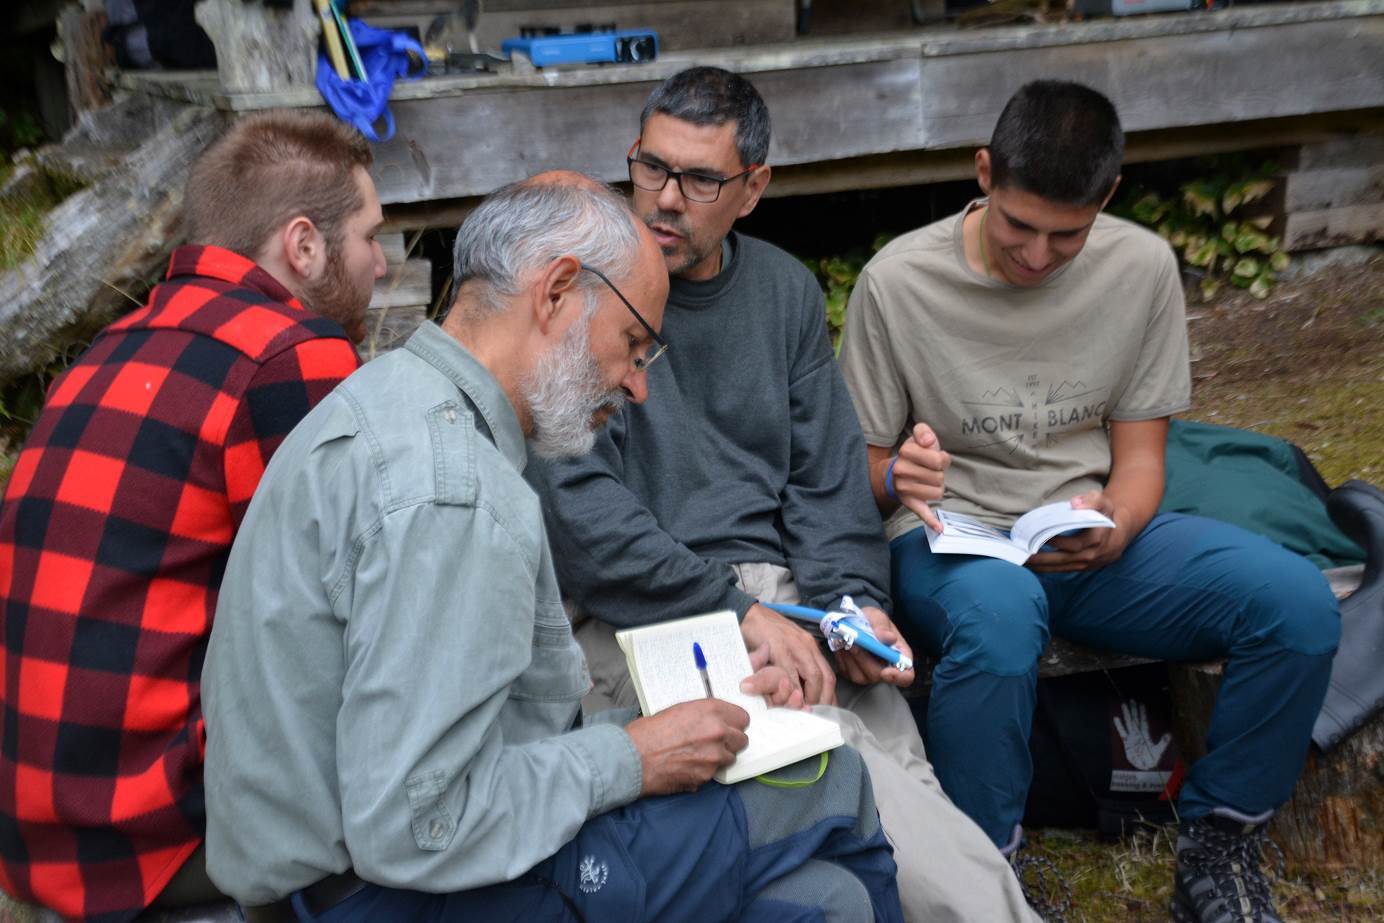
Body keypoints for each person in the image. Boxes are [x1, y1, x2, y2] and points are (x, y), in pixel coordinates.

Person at [201, 176, 903, 923]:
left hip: (326, 872)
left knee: (828, 902)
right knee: (832, 784)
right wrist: (631, 757)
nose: (637, 386)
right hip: (380, 893)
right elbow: (418, 826)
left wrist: (628, 739)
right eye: (634, 344)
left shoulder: (381, 399)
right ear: (559, 291)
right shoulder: (457, 493)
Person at [527, 66, 1036, 922]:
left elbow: (828, 486)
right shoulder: (585, 293)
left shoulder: (784, 292)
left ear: (753, 188)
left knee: (897, 760)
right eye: (650, 167)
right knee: (848, 769)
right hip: (649, 612)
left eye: (699, 179)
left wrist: (853, 606)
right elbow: (583, 518)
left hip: (787, 598)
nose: (664, 198)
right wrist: (734, 610)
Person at [837, 79, 1341, 923]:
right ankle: (980, 869)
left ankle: (1219, 842)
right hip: (945, 537)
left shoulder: (1140, 267)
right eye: (1017, 226)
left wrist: (1120, 525)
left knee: (1296, 604)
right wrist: (899, 476)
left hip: (1082, 538)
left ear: (1107, 197)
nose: (1036, 255)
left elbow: (1144, 458)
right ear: (984, 172)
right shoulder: (899, 282)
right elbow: (858, 469)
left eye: (1065, 235)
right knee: (999, 621)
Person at [0, 111, 385, 921]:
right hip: (147, 836)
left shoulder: (115, 345)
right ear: (304, 245)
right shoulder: (293, 351)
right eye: (371, 238)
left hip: (34, 821)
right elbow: (357, 609)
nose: (382, 265)